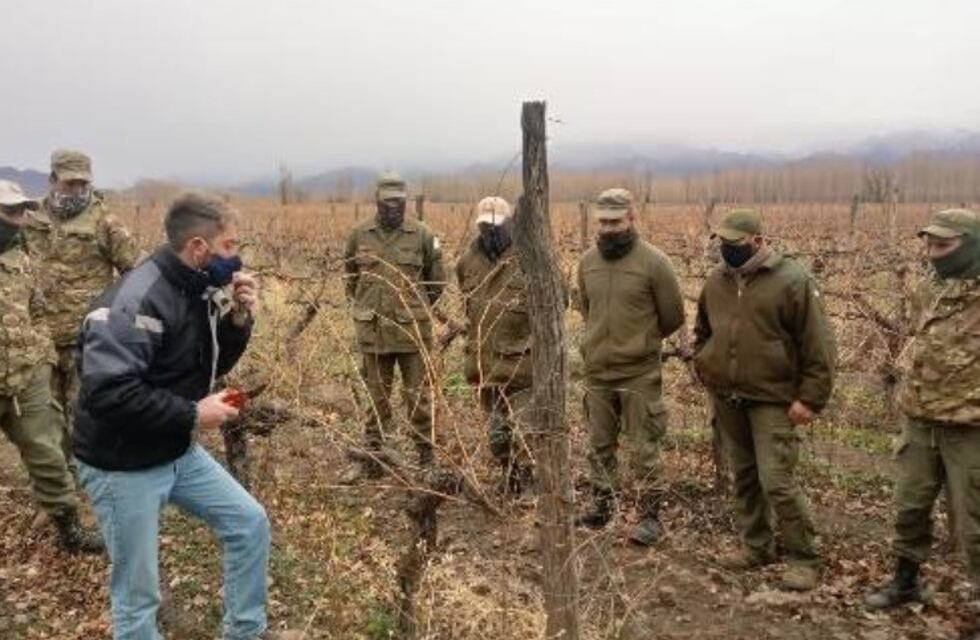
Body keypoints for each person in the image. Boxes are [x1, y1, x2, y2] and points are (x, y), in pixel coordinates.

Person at [73, 192, 299, 639]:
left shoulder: (193, 289)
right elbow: (107, 395)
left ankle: (245, 632)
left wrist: (237, 319)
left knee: (248, 523)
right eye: (231, 246)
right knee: (137, 596)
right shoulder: (134, 303)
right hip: (121, 463)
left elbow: (205, 364)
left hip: (173, 446)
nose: (237, 260)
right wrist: (192, 413)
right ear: (199, 247)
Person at [693, 208, 835, 591]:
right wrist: (705, 364)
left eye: (734, 243)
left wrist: (811, 398)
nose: (726, 250)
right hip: (727, 394)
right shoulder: (716, 280)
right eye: (722, 243)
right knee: (744, 477)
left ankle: (804, 557)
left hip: (774, 398)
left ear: (758, 240)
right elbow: (702, 329)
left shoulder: (792, 280)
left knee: (776, 480)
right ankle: (756, 546)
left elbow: (818, 345)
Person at [865, 209, 980, 612]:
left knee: (974, 521)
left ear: (971, 245)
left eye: (943, 245)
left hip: (970, 428)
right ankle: (905, 581)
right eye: (928, 245)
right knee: (910, 506)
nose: (933, 254)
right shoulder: (929, 289)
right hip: (921, 420)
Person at [575, 188, 685, 546]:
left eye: (615, 221)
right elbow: (586, 311)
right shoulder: (587, 262)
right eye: (603, 222)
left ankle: (650, 517)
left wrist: (639, 343)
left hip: (639, 373)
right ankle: (602, 505)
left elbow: (672, 317)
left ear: (631, 219)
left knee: (643, 447)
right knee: (599, 444)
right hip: (597, 372)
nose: (608, 229)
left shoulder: (654, 263)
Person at [0, 179, 103, 554]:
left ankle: (70, 531)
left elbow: (37, 309)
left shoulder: (19, 259)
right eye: (11, 211)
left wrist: (40, 354)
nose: (21, 218)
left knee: (48, 454)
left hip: (27, 377)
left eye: (24, 209)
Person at [26, 149, 138, 469]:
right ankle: (58, 487)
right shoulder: (31, 218)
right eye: (69, 182)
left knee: (84, 415)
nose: (76, 190)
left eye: (82, 183)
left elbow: (136, 274)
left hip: (86, 341)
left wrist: (115, 317)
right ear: (52, 180)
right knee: (45, 420)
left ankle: (89, 481)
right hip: (40, 340)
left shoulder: (106, 222)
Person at [343, 172, 445, 474]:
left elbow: (436, 282)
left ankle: (426, 455)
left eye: (399, 202)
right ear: (377, 201)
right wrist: (368, 306)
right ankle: (374, 456)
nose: (393, 208)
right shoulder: (359, 235)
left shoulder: (423, 234)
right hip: (373, 332)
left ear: (406, 202)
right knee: (377, 397)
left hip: (411, 332)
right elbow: (351, 280)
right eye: (388, 202)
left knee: (418, 397)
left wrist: (413, 308)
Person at [456, 196, 534, 493]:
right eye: (485, 225)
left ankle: (530, 482)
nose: (491, 231)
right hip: (485, 364)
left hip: (522, 364)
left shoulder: (529, 258)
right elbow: (468, 306)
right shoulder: (467, 261)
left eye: (497, 225)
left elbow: (556, 302)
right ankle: (509, 475)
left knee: (526, 428)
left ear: (510, 223)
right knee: (498, 434)